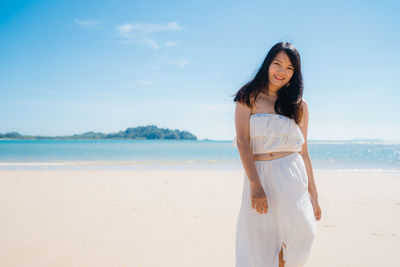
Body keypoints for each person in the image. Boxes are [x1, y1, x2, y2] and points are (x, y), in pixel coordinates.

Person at [232, 41, 322, 267]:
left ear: (295, 73)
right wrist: (255, 183)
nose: (282, 72)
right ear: (267, 64)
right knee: (258, 242)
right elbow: (243, 142)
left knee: (304, 233)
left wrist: (314, 194)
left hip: (291, 173)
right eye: (277, 64)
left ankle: (283, 259)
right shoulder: (248, 96)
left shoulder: (299, 106)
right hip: (259, 173)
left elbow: (304, 151)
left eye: (289, 68)